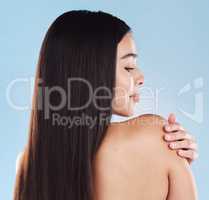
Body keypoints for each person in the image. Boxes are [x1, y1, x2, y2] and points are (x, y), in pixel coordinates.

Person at [14, 10, 198, 200]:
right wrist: (175, 163)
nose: (140, 77)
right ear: (90, 73)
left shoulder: (29, 165)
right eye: (128, 67)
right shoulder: (157, 136)